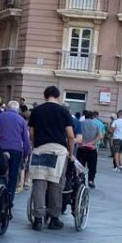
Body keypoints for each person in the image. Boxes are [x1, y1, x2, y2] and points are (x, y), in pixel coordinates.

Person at [28, 85, 77, 230]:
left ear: (45, 96)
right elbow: (70, 136)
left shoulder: (36, 110)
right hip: (58, 150)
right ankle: (54, 218)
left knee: (39, 183)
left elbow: (31, 132)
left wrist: (35, 145)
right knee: (56, 184)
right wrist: (71, 153)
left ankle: (38, 218)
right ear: (58, 96)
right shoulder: (63, 111)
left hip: (40, 149)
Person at [0, 96, 28, 200]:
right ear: (17, 110)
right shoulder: (22, 120)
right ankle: (10, 199)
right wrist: (26, 153)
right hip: (16, 149)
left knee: (0, 172)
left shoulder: (0, 117)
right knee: (13, 175)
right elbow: (25, 139)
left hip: (2, 147)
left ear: (7, 108)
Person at [76, 110, 103, 186]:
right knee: (92, 166)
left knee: (80, 165)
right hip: (92, 148)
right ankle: (91, 180)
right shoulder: (96, 125)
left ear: (84, 116)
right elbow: (100, 136)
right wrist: (92, 143)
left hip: (81, 147)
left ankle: (81, 178)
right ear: (92, 117)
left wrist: (81, 142)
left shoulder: (80, 123)